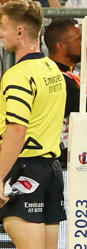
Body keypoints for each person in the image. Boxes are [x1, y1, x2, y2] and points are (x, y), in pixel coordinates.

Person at [0, 0, 66, 249]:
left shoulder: (18, 74)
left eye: (3, 27)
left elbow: (19, 130)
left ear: (20, 31)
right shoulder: (52, 69)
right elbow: (28, 125)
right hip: (51, 168)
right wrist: (0, 137)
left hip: (26, 170)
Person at [43, 18, 82, 166]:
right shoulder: (55, 78)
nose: (84, 43)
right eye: (79, 39)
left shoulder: (74, 72)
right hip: (64, 159)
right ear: (61, 46)